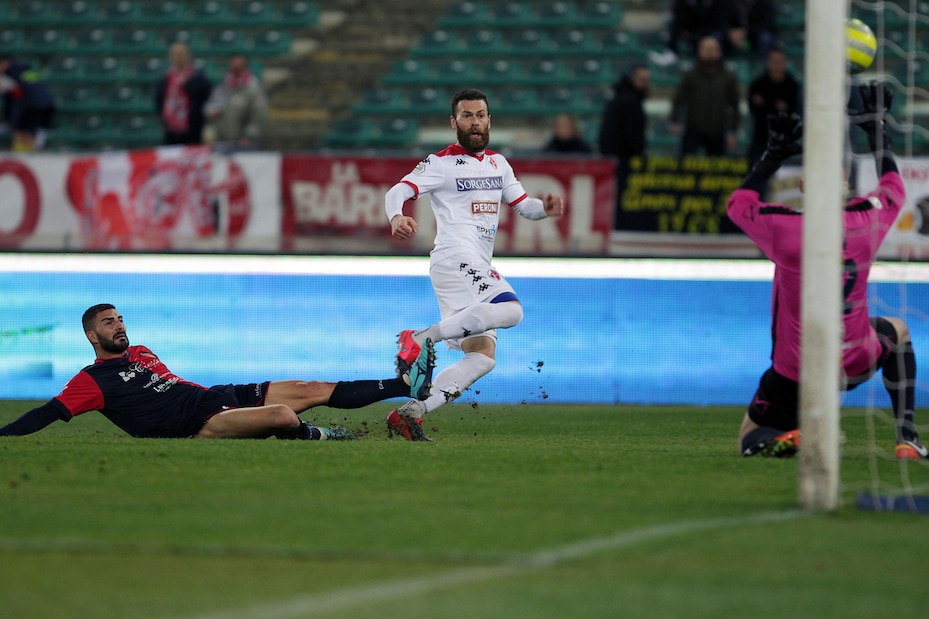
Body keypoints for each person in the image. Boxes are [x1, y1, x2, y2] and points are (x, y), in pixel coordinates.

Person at [727, 83, 927, 460]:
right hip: (854, 360)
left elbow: (738, 205)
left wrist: (771, 157)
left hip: (796, 371)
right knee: (898, 329)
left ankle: (789, 437)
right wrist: (875, 129)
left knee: (749, 438)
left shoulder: (784, 229)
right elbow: (893, 187)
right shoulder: (866, 221)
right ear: (846, 185)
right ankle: (907, 437)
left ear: (803, 186)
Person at [383, 88, 565, 441]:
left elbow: (523, 205)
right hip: (455, 256)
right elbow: (397, 191)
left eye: (480, 115)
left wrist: (544, 208)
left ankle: (411, 412)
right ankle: (419, 338)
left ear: (489, 120)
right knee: (512, 311)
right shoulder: (441, 163)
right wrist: (396, 216)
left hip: (469, 265)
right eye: (467, 116)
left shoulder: (499, 164)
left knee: (482, 356)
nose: (475, 122)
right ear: (454, 123)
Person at [0, 304, 436, 441]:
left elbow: (172, 388)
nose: (119, 326)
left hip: (213, 397)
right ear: (91, 336)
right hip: (197, 424)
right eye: (108, 323)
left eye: (120, 319)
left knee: (311, 387)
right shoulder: (90, 381)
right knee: (283, 415)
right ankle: (319, 436)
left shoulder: (142, 352)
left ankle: (403, 384)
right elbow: (48, 412)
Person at [669, 36, 741, 157]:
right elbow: (678, 99)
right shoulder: (690, 75)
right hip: (693, 128)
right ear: (699, 51)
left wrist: (733, 131)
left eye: (713, 49)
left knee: (718, 165)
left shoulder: (728, 76)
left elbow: (735, 104)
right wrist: (675, 120)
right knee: (685, 163)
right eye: (707, 49)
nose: (710, 53)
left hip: (718, 130)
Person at [599, 63, 651, 228]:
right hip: (623, 159)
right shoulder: (630, 101)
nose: (645, 83)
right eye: (642, 79)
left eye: (647, 80)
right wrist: (638, 152)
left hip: (615, 156)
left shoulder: (621, 97)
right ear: (633, 79)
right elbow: (632, 134)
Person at [746, 47, 801, 170]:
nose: (777, 65)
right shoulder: (758, 84)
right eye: (774, 61)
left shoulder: (791, 85)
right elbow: (754, 109)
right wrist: (776, 106)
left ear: (785, 62)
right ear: (768, 62)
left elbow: (792, 111)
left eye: (780, 61)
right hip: (760, 135)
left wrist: (765, 104)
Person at [204, 54, 268, 154]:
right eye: (233, 64)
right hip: (223, 140)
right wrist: (211, 112)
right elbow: (210, 106)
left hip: (244, 142)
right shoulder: (223, 87)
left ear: (245, 66)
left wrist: (249, 135)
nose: (236, 67)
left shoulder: (254, 89)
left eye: (239, 65)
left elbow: (258, 116)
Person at [154, 42, 212, 145]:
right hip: (171, 131)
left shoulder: (198, 79)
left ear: (188, 56)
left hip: (193, 131)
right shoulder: (164, 80)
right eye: (176, 55)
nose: (179, 58)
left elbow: (206, 99)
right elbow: (159, 101)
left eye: (181, 54)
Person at [649, 0, 729, 67]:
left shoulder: (718, 2)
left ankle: (722, 61)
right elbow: (679, 19)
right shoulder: (682, 3)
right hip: (693, 32)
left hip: (713, 31)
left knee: (717, 38)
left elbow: (721, 19)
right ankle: (672, 52)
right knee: (677, 28)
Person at [0, 55, 55, 152]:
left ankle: (22, 155)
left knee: (19, 132)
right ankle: (31, 153)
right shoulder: (26, 69)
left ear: (5, 62)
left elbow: (15, 92)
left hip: (27, 104)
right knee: (29, 132)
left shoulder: (9, 73)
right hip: (44, 103)